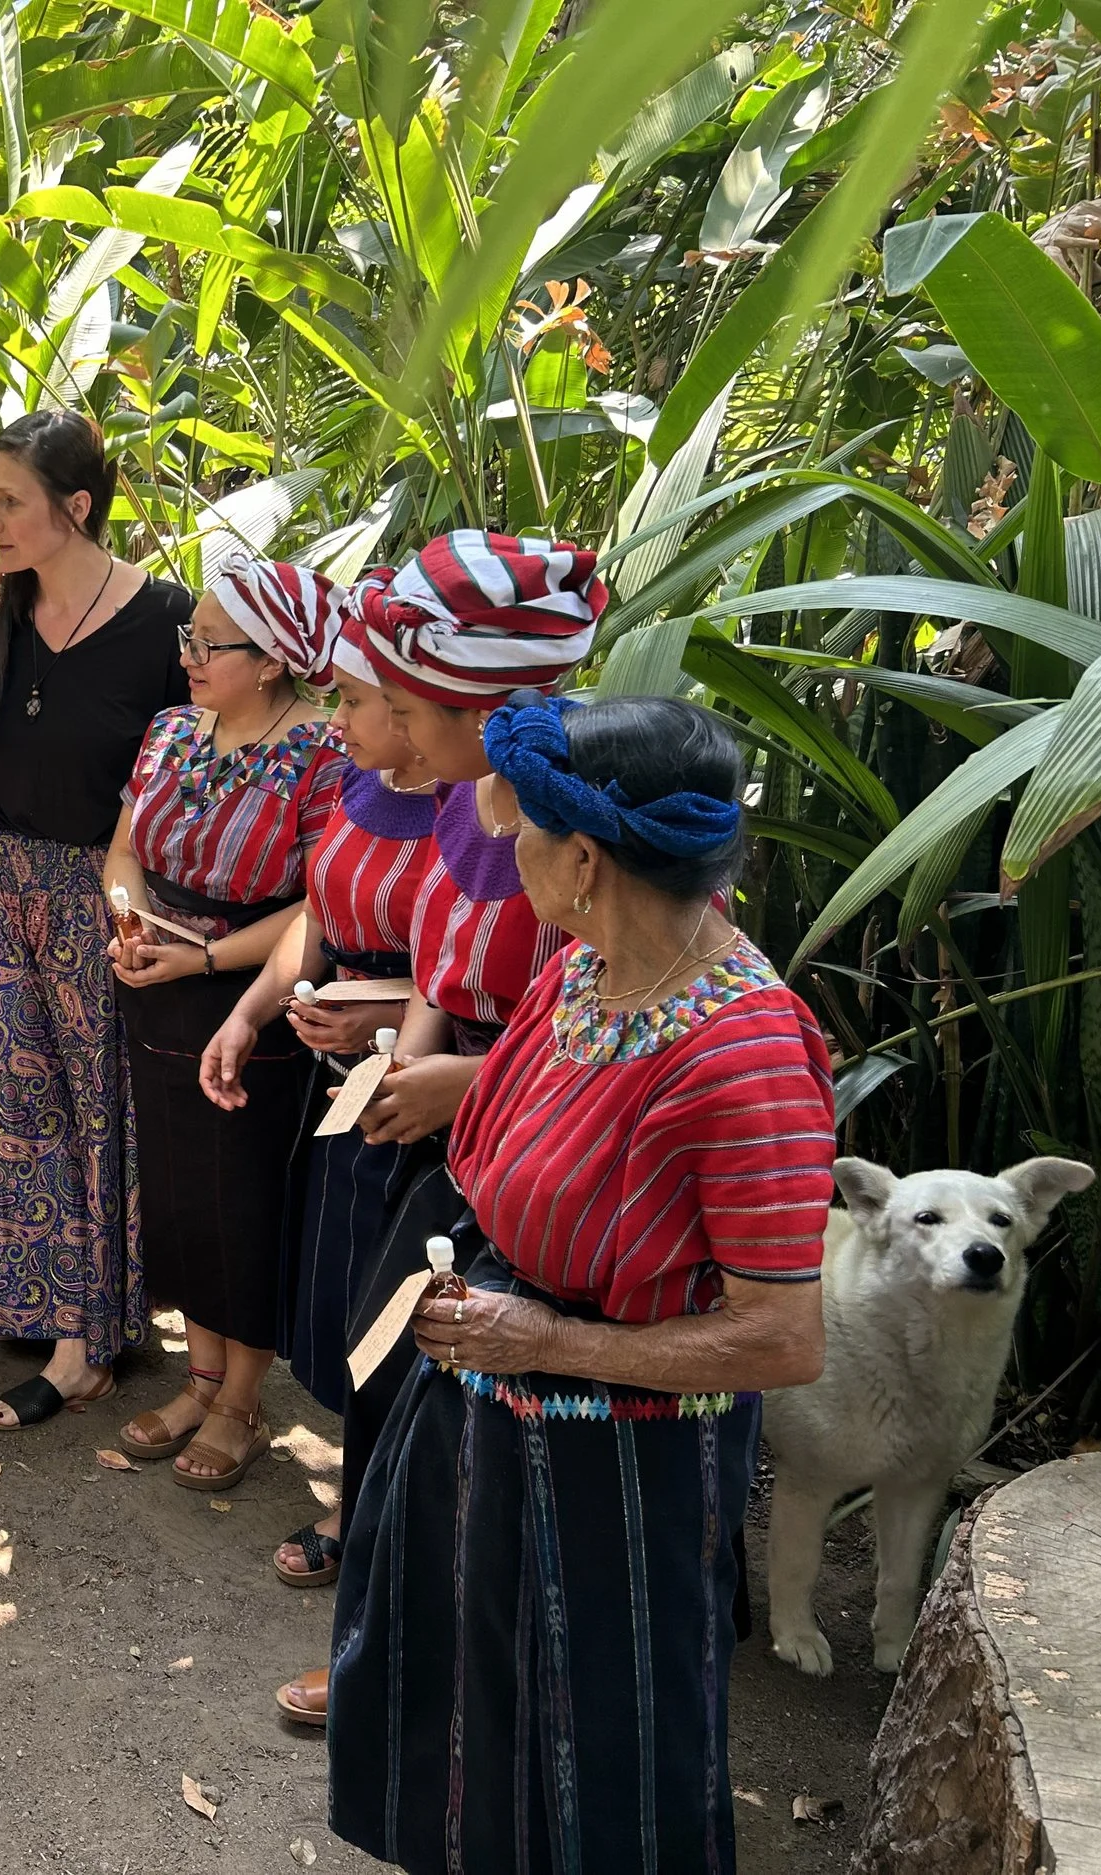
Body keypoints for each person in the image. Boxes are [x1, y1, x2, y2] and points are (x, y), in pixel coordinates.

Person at [326, 693, 836, 1874]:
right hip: (495, 1418)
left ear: (586, 858)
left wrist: (548, 1342)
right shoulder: (587, 969)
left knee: (608, 1747)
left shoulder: (745, 1058)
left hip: (623, 1470)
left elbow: (782, 1339)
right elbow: (532, 1105)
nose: (508, 853)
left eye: (522, 832)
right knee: (479, 1723)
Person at [242, 529, 605, 1728]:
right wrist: (417, 1053)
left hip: (532, 1164)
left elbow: (603, 1030)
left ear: (482, 703)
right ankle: (395, 1660)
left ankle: (424, 1687)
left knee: (462, 1421)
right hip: (452, 1136)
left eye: (407, 699)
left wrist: (463, 1078)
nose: (386, 718)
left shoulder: (576, 825)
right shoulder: (466, 799)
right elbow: (447, 964)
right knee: (391, 1382)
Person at [0, 410, 192, 1429]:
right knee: (5, 1102)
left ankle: (92, 1341)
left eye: (8, 501)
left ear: (74, 509)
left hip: (101, 889)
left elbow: (191, 767)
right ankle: (32, 1302)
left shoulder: (165, 622)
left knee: (97, 1111)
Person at [189, 605, 438, 1529]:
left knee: (401, 1280)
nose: (337, 720)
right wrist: (251, 1011)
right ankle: (360, 1472)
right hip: (343, 1066)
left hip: (417, 1072)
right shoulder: (364, 789)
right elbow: (321, 917)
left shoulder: (470, 812)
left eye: (357, 701)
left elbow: (465, 966)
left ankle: (373, 1498)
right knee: (346, 1275)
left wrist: (375, 1007)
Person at [104, 556, 350, 1488]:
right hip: (151, 978)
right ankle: (201, 1377)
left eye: (211, 643)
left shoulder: (326, 754)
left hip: (249, 998)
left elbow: (316, 909)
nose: (190, 656)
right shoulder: (171, 730)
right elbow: (125, 848)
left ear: (276, 658)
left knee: (241, 1201)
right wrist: (128, 924)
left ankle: (244, 1399)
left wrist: (204, 958)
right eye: (189, 638)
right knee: (174, 1193)